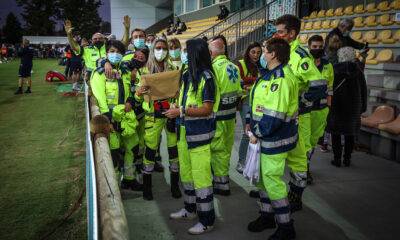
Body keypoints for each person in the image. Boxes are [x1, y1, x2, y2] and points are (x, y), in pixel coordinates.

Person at [274, 14, 327, 212]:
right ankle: (272, 191)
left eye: (280, 32)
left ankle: (296, 196)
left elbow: (319, 85)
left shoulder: (300, 56)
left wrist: (301, 103)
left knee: (299, 159)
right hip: (281, 116)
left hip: (299, 118)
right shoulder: (283, 53)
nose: (277, 35)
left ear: (292, 33)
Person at [246, 37, 298, 239]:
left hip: (275, 139)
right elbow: (258, 103)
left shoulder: (282, 79)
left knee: (272, 181)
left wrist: (256, 132)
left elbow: (274, 116)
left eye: (264, 51)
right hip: (262, 136)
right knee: (263, 181)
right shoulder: (269, 75)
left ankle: (286, 227)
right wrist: (250, 122)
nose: (261, 54)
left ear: (273, 54)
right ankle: (266, 216)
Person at [166, 38, 219, 235]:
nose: (183, 54)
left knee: (202, 180)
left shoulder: (207, 77)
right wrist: (177, 108)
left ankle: (207, 220)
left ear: (195, 53)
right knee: (187, 176)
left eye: (186, 51)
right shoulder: (188, 74)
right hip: (184, 135)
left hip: (199, 136)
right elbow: (184, 101)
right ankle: (190, 210)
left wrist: (180, 111)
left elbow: (207, 108)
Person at [90, 40, 143, 191]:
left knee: (132, 149)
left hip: (126, 119)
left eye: (119, 52)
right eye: (112, 51)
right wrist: (108, 120)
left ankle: (129, 178)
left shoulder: (125, 70)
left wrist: (130, 102)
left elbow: (131, 89)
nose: (115, 54)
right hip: (110, 120)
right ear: (106, 54)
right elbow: (100, 98)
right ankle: (114, 187)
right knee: (113, 154)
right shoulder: (99, 73)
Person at [135, 37, 181, 200]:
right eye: (158, 48)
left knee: (174, 150)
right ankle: (147, 187)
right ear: (153, 49)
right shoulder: (144, 71)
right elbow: (138, 97)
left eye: (164, 48)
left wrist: (176, 100)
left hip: (171, 116)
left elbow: (179, 94)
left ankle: (175, 185)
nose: (161, 51)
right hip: (152, 117)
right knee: (150, 151)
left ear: (168, 50)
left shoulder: (174, 69)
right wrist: (139, 92)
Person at [209, 37, 242, 195]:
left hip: (218, 117)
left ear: (211, 52)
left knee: (217, 150)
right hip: (231, 116)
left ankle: (221, 184)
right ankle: (223, 176)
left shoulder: (213, 68)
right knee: (227, 149)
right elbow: (239, 92)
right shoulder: (234, 66)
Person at [328, 47, 367, 167]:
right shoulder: (358, 71)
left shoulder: (334, 70)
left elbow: (329, 88)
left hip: (336, 105)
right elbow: (363, 91)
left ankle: (337, 159)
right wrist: (363, 107)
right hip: (353, 106)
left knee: (336, 133)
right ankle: (347, 159)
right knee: (350, 133)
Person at [306, 35, 334, 184]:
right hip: (305, 109)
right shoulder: (304, 64)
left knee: (312, 141)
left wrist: (328, 107)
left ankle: (306, 167)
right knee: (303, 141)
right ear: (309, 47)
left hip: (321, 109)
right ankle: (301, 168)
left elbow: (330, 88)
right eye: (314, 47)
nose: (317, 49)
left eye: (319, 47)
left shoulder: (328, 65)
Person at [236, 42, 262, 174]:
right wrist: (254, 81)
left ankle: (253, 161)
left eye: (258, 52)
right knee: (247, 133)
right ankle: (241, 162)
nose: (256, 55)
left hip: (259, 101)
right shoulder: (240, 63)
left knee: (258, 132)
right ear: (248, 52)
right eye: (253, 52)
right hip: (245, 100)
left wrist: (249, 82)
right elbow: (239, 82)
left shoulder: (262, 64)